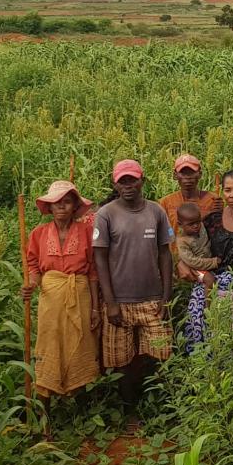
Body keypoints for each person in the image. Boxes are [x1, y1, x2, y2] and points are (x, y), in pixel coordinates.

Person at [93, 160, 174, 428]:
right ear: (114, 184)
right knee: (122, 362)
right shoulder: (105, 214)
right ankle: (130, 412)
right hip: (119, 303)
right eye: (122, 181)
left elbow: (165, 253)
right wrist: (111, 302)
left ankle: (160, 409)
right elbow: (100, 259)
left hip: (153, 300)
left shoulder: (156, 211)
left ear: (143, 181)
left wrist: (166, 296)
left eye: (132, 180)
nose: (127, 186)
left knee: (161, 356)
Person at [21, 180, 100, 420]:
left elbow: (94, 272)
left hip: (80, 291)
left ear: (75, 206)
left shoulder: (87, 231)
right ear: (49, 208)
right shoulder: (38, 234)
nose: (61, 207)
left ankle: (82, 409)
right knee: (49, 344)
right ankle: (45, 408)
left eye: (67, 202)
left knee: (81, 343)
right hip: (51, 296)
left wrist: (96, 308)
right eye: (56, 203)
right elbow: (33, 267)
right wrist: (31, 285)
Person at [183, 170, 233, 351]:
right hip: (210, 287)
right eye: (228, 190)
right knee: (209, 336)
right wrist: (183, 263)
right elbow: (189, 245)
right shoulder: (212, 220)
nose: (232, 195)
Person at [158, 154, 221, 255]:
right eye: (183, 173)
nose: (187, 177)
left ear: (199, 174)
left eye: (191, 173)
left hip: (204, 260)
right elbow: (162, 235)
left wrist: (218, 214)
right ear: (175, 175)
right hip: (175, 261)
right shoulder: (165, 202)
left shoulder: (213, 200)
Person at [175, 203, 219, 277]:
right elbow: (192, 262)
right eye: (191, 224)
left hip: (209, 262)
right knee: (209, 279)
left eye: (198, 222)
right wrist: (214, 262)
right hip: (195, 268)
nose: (196, 226)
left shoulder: (201, 226)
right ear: (180, 224)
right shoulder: (182, 241)